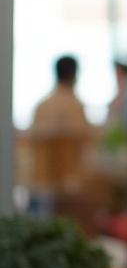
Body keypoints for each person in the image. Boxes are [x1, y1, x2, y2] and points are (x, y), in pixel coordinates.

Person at [26, 55, 95, 192]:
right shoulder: (76, 106)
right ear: (74, 74)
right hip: (71, 183)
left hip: (41, 180)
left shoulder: (42, 107)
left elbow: (30, 140)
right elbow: (87, 145)